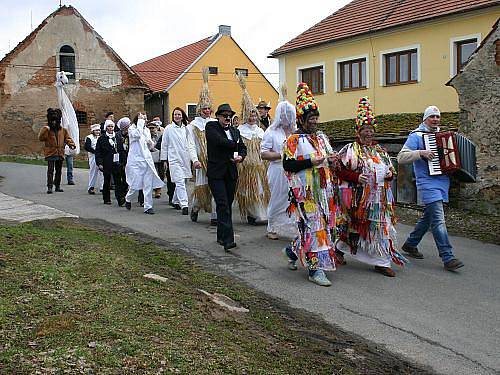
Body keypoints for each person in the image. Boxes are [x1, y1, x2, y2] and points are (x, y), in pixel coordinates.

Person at [334, 97, 408, 277]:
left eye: (370, 130)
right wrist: (357, 177)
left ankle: (381, 262)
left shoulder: (380, 151)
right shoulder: (350, 149)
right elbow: (339, 170)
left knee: (379, 228)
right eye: (365, 130)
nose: (368, 133)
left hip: (378, 201)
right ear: (358, 132)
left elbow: (391, 170)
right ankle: (338, 249)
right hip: (358, 199)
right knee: (354, 227)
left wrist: (390, 175)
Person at [282, 83, 338, 287]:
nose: (314, 122)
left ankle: (293, 250)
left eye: (316, 118)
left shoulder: (321, 138)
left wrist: (332, 160)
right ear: (302, 120)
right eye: (310, 119)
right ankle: (315, 270)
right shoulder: (293, 140)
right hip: (304, 195)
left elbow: (329, 156)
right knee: (315, 228)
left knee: (323, 227)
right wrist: (309, 162)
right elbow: (287, 164)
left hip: (323, 192)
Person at [397, 105, 464, 271]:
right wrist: (421, 153)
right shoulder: (417, 136)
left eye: (437, 117)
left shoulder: (445, 136)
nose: (435, 119)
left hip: (442, 182)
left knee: (429, 216)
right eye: (432, 116)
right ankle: (447, 257)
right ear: (425, 119)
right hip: (426, 182)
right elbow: (401, 157)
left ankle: (410, 244)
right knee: (438, 219)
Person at [206, 103, 247, 251]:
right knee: (223, 205)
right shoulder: (211, 127)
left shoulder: (235, 131)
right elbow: (219, 142)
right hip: (216, 173)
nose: (227, 118)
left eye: (229, 116)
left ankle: (221, 235)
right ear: (218, 116)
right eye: (224, 116)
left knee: (227, 205)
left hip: (230, 173)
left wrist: (240, 157)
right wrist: (235, 146)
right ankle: (229, 240)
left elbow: (243, 148)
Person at [261, 99, 297, 240]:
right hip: (277, 169)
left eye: (289, 114)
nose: (286, 116)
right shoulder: (271, 131)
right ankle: (272, 227)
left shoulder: (295, 131)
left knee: (292, 199)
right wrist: (282, 155)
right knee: (278, 198)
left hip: (293, 170)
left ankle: (291, 226)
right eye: (284, 114)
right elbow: (264, 153)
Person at [236, 73, 269, 225]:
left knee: (260, 189)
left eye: (254, 115)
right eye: (250, 115)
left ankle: (261, 214)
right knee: (248, 190)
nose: (252, 118)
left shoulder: (260, 131)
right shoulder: (240, 130)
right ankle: (251, 213)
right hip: (245, 166)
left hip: (259, 166)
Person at [186, 67, 217, 225]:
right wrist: (194, 160)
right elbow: (191, 145)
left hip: (215, 160)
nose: (207, 111)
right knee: (202, 187)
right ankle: (196, 207)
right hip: (201, 160)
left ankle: (215, 217)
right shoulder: (193, 126)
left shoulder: (215, 123)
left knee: (216, 187)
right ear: (200, 109)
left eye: (208, 108)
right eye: (204, 109)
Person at [161, 108, 200, 215]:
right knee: (179, 181)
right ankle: (184, 205)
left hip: (185, 159)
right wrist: (164, 160)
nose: (176, 116)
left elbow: (191, 144)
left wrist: (193, 158)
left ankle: (175, 200)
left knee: (183, 181)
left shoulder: (187, 129)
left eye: (178, 114)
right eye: (175, 114)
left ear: (182, 116)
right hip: (174, 159)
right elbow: (164, 145)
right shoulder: (168, 129)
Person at [125, 113, 165, 214]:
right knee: (135, 184)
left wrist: (150, 143)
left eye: (145, 119)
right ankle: (128, 198)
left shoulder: (146, 130)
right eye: (143, 119)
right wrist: (140, 122)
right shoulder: (132, 129)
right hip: (136, 161)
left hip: (147, 160)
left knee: (148, 184)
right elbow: (137, 135)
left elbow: (148, 142)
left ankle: (148, 206)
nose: (145, 120)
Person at [38, 108, 76, 194]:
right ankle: (50, 186)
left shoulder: (63, 130)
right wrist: (45, 129)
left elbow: (67, 138)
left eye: (56, 120)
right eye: (53, 120)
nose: (54, 122)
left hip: (60, 153)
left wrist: (71, 144)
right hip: (50, 152)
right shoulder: (47, 129)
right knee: (50, 170)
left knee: (59, 170)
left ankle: (57, 186)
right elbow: (41, 138)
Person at [95, 119, 126, 206]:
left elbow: (121, 150)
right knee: (107, 181)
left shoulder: (118, 138)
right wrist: (99, 163)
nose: (110, 128)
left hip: (117, 163)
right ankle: (106, 198)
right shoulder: (102, 139)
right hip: (106, 162)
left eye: (112, 126)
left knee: (118, 181)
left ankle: (120, 199)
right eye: (108, 126)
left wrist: (123, 162)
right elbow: (98, 152)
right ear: (106, 128)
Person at [84, 124, 103, 195]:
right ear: (93, 131)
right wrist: (95, 151)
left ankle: (102, 187)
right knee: (93, 172)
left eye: (98, 130)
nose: (97, 132)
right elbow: (87, 147)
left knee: (102, 172)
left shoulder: (100, 137)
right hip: (93, 156)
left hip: (100, 157)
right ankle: (91, 187)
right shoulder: (89, 137)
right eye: (96, 130)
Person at [147, 121, 165, 199]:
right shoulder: (146, 136)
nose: (151, 130)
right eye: (150, 128)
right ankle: (156, 190)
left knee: (160, 174)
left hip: (159, 157)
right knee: (152, 174)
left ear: (156, 128)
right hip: (150, 157)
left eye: (153, 128)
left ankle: (158, 189)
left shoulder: (161, 135)